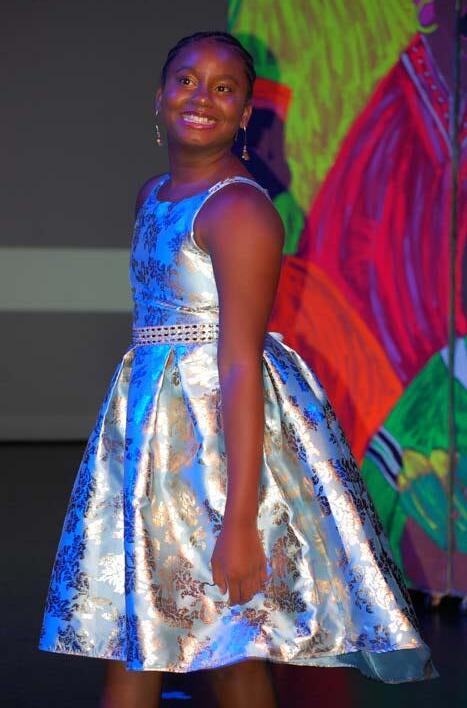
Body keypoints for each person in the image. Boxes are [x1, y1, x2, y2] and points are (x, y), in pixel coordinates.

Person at [38, 31, 438, 708]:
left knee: (225, 648)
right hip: (152, 443)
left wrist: (241, 523)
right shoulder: (153, 194)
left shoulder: (238, 209)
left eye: (224, 89)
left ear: (245, 114)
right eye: (187, 80)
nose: (202, 98)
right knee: (164, 645)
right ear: (159, 97)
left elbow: (239, 363)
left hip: (218, 453)